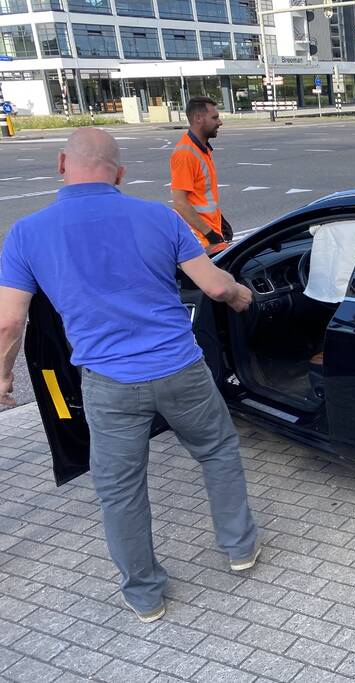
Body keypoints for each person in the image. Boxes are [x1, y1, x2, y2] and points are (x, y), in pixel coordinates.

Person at [0, 128, 259, 623]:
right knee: (217, 452)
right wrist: (240, 294)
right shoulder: (158, 216)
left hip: (108, 384)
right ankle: (239, 548)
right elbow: (211, 283)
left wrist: (4, 379)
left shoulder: (27, 233)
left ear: (61, 164)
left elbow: (10, 321)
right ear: (119, 173)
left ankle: (146, 596)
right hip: (180, 368)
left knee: (120, 490)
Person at [171, 96, 232, 254]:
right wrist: (210, 234)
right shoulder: (185, 153)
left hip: (209, 236)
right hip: (201, 243)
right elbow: (180, 203)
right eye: (215, 117)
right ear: (198, 118)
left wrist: (221, 222)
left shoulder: (201, 149)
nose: (220, 122)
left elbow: (203, 196)